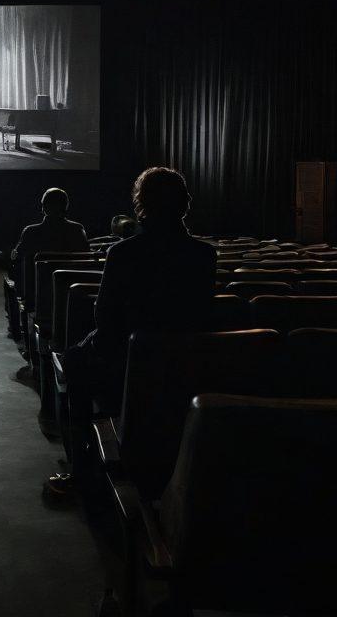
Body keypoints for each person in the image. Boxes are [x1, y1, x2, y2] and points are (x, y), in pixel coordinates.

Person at [44, 167, 216, 500]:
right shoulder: (205, 255)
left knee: (74, 362)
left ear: (142, 204)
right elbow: (200, 316)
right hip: (188, 367)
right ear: (184, 203)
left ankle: (80, 471)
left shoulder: (123, 253)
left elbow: (105, 319)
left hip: (127, 363)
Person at [10, 188, 90, 283]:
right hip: (70, 283)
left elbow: (17, 257)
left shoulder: (30, 231)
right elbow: (86, 256)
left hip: (35, 284)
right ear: (65, 206)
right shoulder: (77, 229)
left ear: (43, 207)